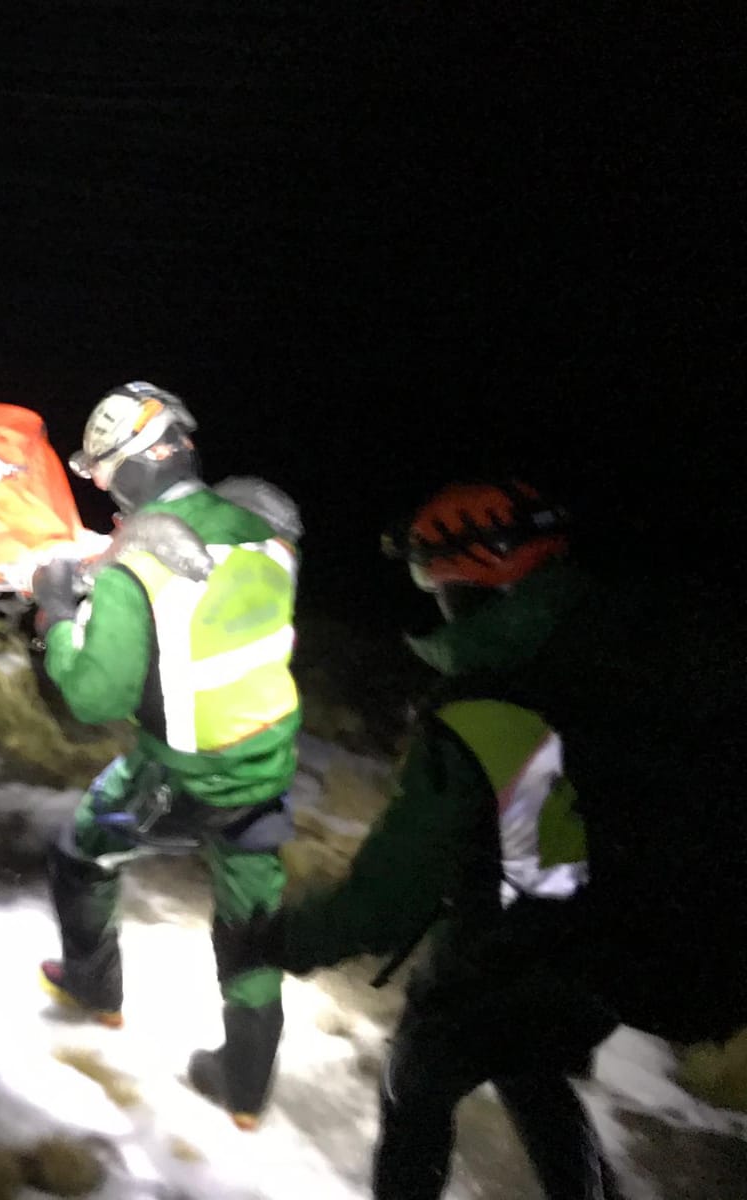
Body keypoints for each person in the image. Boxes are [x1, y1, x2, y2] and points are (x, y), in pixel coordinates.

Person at [218, 480, 626, 1198]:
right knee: (534, 1071)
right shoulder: (612, 657)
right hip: (614, 945)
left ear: (471, 584)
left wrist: (280, 940)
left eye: (438, 583)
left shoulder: (487, 704)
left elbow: (391, 893)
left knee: (417, 1087)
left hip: (500, 957)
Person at [29, 380, 304, 1131]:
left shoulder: (138, 559)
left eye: (102, 473)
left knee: (81, 852)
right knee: (250, 917)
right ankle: (246, 1090)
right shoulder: (261, 522)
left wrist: (58, 614)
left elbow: (93, 697)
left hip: (180, 775)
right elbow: (208, 609)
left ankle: (93, 988)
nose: (103, 486)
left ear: (129, 465)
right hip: (268, 764)